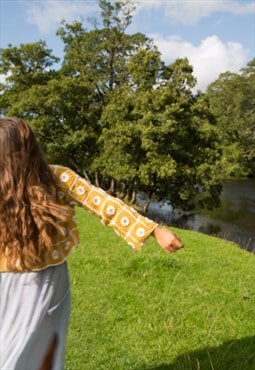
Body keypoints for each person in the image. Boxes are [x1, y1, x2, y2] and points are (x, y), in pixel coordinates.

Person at [0, 117, 183, 370]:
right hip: (9, 282)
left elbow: (104, 204)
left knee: (40, 353)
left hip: (48, 281)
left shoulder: (57, 178)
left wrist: (153, 229)